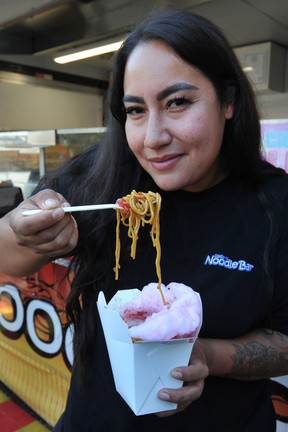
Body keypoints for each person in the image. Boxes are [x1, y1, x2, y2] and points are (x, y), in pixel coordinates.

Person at [0, 8, 288, 432]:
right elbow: (8, 258)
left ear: (228, 101)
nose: (153, 138)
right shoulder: (103, 177)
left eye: (177, 102)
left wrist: (208, 355)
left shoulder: (275, 203)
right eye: (135, 110)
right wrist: (20, 229)